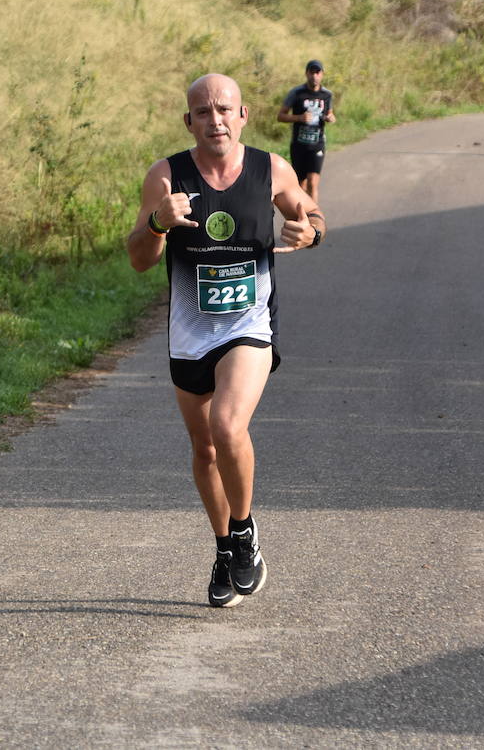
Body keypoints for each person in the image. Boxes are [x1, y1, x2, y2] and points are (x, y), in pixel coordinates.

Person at [126, 73, 325, 608]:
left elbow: (311, 214)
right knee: (205, 448)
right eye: (202, 111)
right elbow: (140, 260)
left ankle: (244, 531)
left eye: (224, 109)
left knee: (226, 423)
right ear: (188, 121)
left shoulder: (269, 169)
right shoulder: (166, 176)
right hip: (190, 329)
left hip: (249, 325)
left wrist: (311, 231)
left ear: (242, 116)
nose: (215, 118)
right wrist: (157, 224)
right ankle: (224, 548)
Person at [276, 60, 336, 205]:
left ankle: (314, 220)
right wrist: (299, 118)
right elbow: (280, 116)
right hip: (299, 145)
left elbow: (330, 114)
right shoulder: (297, 93)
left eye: (317, 72)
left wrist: (330, 118)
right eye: (312, 72)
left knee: (313, 183)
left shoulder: (327, 95)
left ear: (322, 74)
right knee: (300, 185)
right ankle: (302, 217)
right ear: (306, 73)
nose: (314, 76)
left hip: (317, 144)